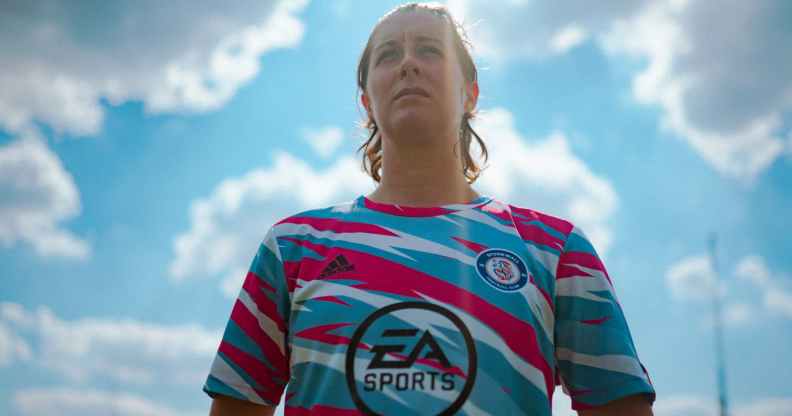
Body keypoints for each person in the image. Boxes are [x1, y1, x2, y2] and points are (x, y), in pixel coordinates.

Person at [204, 3, 656, 415]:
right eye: (388, 55)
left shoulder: (555, 250)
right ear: (366, 102)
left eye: (429, 50)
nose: (408, 64)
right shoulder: (292, 248)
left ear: (470, 93)